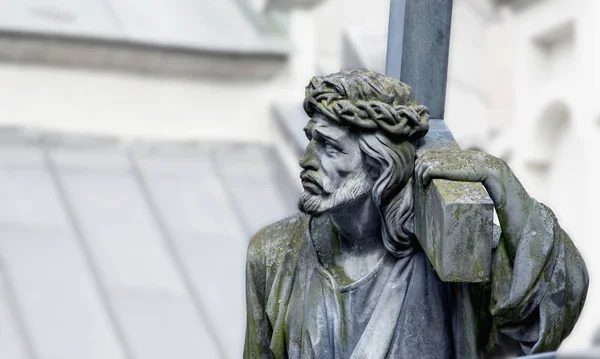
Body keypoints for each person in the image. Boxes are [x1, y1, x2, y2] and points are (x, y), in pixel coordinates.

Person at [244, 70, 588, 358]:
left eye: (330, 147)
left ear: (381, 165)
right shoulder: (275, 255)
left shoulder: (450, 257)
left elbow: (558, 298)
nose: (306, 161)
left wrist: (500, 179)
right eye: (311, 141)